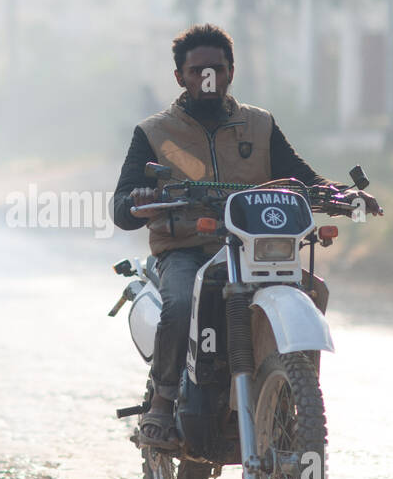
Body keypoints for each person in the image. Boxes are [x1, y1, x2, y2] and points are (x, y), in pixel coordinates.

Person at [111, 23, 378, 448]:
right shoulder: (154, 133)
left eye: (217, 68)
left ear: (232, 70)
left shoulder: (259, 124)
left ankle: (291, 394)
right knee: (180, 304)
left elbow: (302, 177)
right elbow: (122, 208)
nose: (208, 78)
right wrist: (140, 198)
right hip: (188, 250)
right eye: (198, 71)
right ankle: (161, 405)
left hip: (256, 248)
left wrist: (342, 195)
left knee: (313, 289)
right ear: (180, 76)